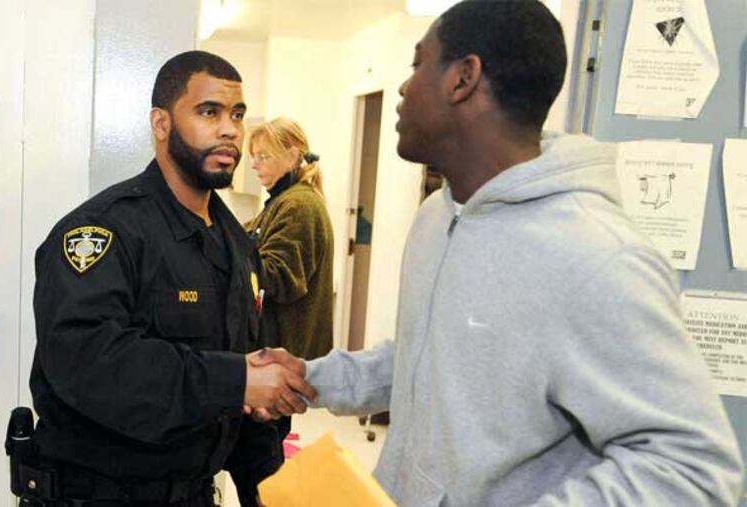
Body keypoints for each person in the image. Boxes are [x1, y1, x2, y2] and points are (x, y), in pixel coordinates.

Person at [249, 1, 745, 505]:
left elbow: (693, 471)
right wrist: (314, 378)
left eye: (417, 64)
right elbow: (428, 357)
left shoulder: (597, 258)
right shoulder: (437, 219)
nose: (403, 88)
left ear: (464, 78)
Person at [27, 50, 315, 507]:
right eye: (209, 112)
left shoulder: (237, 246)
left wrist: (270, 490)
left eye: (237, 115)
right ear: (161, 124)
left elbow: (244, 394)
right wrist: (234, 380)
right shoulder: (105, 232)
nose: (230, 130)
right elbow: (87, 363)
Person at [246, 117, 335, 363]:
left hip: (286, 358)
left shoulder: (299, 205)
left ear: (293, 156)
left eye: (263, 157)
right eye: (254, 156)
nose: (253, 165)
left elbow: (278, 277)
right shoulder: (281, 201)